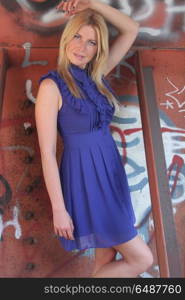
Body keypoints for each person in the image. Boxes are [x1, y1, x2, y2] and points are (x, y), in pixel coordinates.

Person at [35, 0, 153, 278]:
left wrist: (92, 4)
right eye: (77, 36)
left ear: (98, 49)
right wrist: (59, 208)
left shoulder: (95, 76)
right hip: (86, 180)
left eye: (92, 42)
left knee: (105, 261)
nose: (82, 47)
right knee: (142, 259)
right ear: (66, 39)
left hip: (110, 174)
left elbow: (131, 29)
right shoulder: (51, 87)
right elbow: (48, 152)